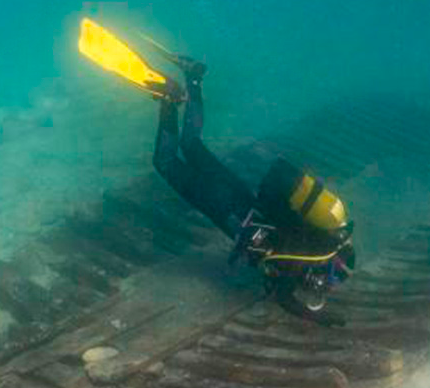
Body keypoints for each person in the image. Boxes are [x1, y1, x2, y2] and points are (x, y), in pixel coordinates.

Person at [79, 18, 355, 326]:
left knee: (191, 144)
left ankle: (193, 79)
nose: (316, 288)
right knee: (166, 162)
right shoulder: (296, 266)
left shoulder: (311, 238)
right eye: (321, 285)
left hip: (238, 192)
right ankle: (168, 101)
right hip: (223, 205)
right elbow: (284, 299)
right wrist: (321, 318)